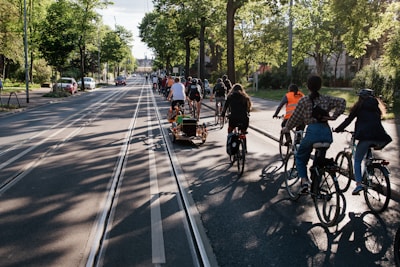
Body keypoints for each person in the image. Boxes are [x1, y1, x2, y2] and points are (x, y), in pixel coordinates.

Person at [282, 74, 346, 193]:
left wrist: (287, 128)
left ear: (308, 86)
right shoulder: (326, 99)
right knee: (320, 161)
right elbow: (342, 102)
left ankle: (305, 181)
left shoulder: (304, 100)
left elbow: (295, 118)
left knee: (301, 157)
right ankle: (317, 180)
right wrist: (333, 117)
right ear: (320, 86)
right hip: (326, 133)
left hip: (313, 132)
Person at [334, 88, 392, 195]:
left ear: (360, 97)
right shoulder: (376, 108)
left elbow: (348, 120)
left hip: (366, 137)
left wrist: (338, 129)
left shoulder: (359, 107)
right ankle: (370, 169)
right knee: (368, 153)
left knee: (357, 160)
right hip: (380, 137)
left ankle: (358, 184)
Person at [221, 84, 252, 149]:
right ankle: (245, 148)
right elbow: (248, 108)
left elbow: (225, 107)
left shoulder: (230, 97)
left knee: (230, 130)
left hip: (233, 118)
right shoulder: (245, 97)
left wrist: (223, 114)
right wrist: (247, 113)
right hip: (244, 119)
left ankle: (229, 146)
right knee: (243, 132)